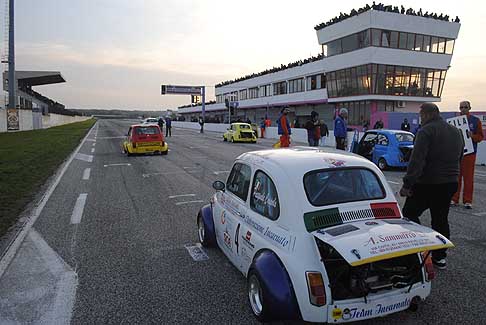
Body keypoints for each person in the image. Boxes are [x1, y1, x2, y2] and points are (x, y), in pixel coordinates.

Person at [399, 103, 464, 270]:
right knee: (440, 218)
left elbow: (417, 160)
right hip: (450, 182)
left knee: (409, 214)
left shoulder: (426, 131)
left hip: (428, 182)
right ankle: (440, 257)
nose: (420, 119)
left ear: (427, 115)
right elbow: (459, 156)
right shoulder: (455, 132)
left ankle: (418, 249)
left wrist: (408, 184)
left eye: (421, 116)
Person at [451, 101, 484, 209]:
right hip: (457, 153)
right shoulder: (455, 121)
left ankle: (467, 201)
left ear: (469, 108)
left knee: (468, 178)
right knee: (456, 177)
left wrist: (472, 136)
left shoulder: (475, 121)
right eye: (461, 107)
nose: (463, 109)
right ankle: (454, 199)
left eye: (465, 107)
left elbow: (480, 137)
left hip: (470, 153)